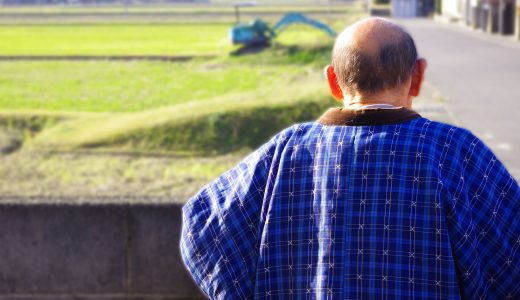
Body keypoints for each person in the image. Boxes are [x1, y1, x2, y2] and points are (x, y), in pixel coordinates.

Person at [180, 17, 519, 299]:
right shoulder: (454, 150)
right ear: (417, 76)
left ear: (333, 80)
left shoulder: (284, 151)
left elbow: (202, 225)